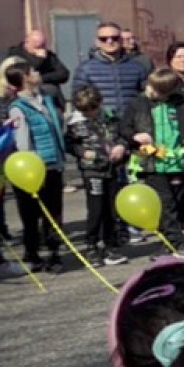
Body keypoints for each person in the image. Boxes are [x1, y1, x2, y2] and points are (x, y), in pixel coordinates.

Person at [122, 68, 184, 260]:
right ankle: (179, 244)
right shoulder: (137, 103)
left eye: (159, 90)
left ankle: (166, 245)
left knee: (178, 204)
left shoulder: (179, 104)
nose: (152, 92)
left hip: (177, 160)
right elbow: (123, 127)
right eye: (152, 87)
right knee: (166, 205)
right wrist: (135, 136)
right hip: (152, 163)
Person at [1, 61, 68, 272]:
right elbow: (23, 142)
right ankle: (32, 252)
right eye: (33, 71)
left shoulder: (46, 100)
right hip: (32, 169)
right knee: (30, 214)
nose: (38, 73)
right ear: (24, 79)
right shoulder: (18, 108)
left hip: (52, 164)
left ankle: (54, 251)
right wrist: (30, 167)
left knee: (54, 211)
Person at [65, 85, 129, 265]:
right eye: (86, 111)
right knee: (96, 209)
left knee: (111, 208)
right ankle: (91, 246)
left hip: (112, 167)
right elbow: (68, 144)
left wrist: (121, 146)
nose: (90, 113)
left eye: (93, 109)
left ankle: (110, 245)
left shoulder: (110, 117)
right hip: (92, 170)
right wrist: (82, 152)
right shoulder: (75, 123)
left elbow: (122, 135)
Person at [71, 21, 148, 117]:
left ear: (121, 40)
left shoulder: (137, 67)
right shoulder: (85, 69)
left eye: (114, 38)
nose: (109, 41)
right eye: (104, 39)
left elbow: (146, 96)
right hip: (100, 123)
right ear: (97, 42)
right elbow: (78, 100)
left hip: (131, 123)